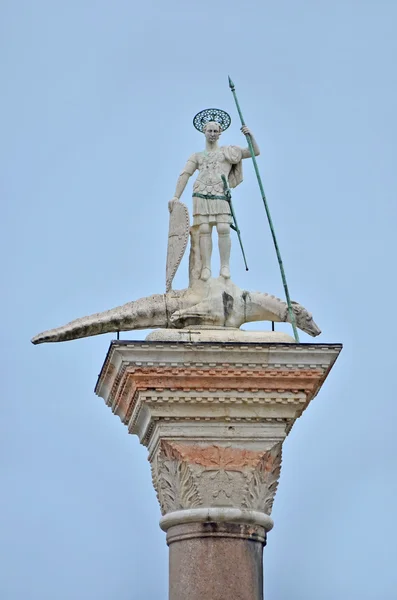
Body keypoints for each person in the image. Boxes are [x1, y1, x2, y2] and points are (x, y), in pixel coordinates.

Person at [169, 120, 260, 281]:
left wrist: (250, 136)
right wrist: (176, 196)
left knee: (224, 227)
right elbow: (185, 174)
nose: (212, 134)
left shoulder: (228, 152)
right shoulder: (196, 156)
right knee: (204, 229)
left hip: (220, 192)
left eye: (215, 131)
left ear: (220, 133)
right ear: (204, 132)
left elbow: (253, 152)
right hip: (201, 193)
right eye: (209, 131)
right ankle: (206, 267)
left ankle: (225, 266)